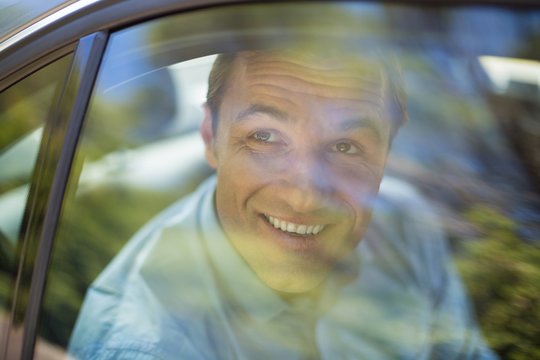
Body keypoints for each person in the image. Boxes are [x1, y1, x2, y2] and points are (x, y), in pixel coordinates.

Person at [68, 48, 497, 359]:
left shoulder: (403, 221)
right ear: (209, 137)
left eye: (346, 146)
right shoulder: (144, 346)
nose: (304, 195)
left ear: (388, 151)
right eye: (265, 137)